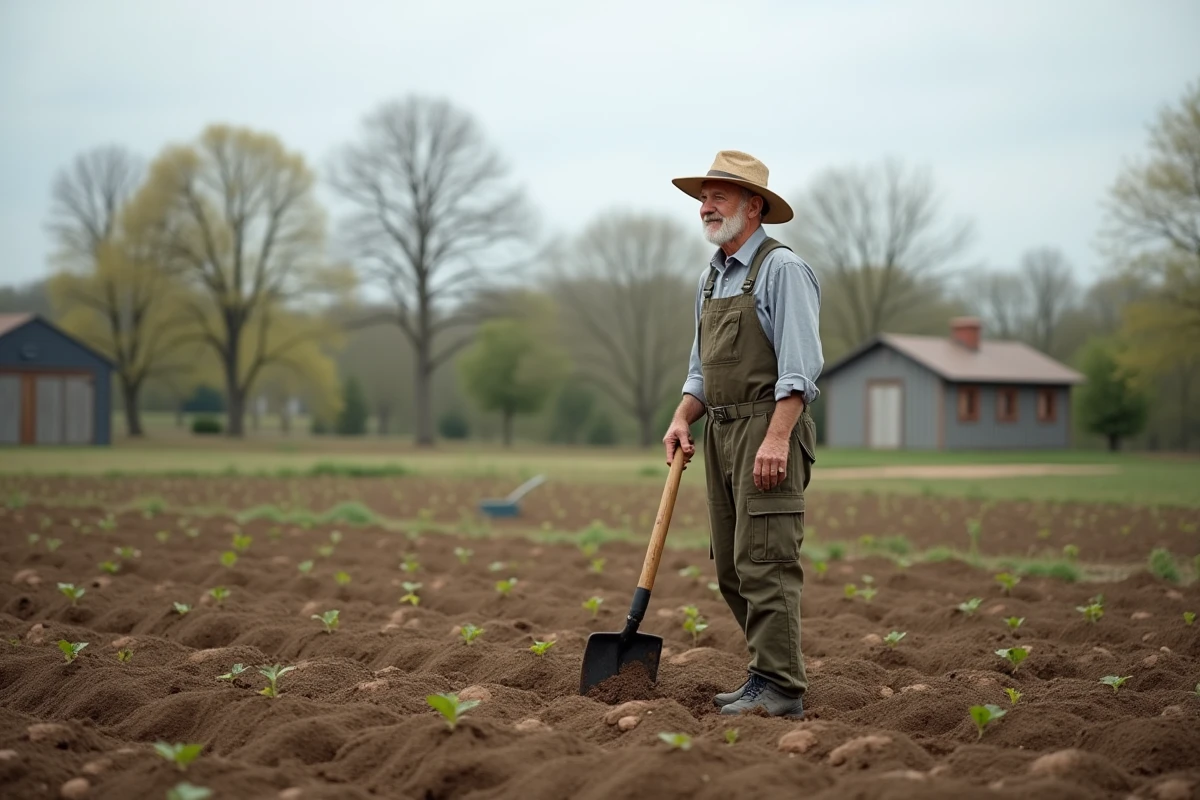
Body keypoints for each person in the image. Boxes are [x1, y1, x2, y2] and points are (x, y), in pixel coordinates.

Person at [663, 150, 823, 718]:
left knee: (765, 559)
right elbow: (701, 372)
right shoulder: (711, 277)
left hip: (766, 426)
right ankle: (764, 675)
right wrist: (684, 416)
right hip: (721, 434)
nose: (706, 206)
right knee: (732, 566)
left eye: (719, 196)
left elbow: (800, 371)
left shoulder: (782, 271)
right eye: (703, 197)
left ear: (753, 207)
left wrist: (777, 438)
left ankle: (781, 688)